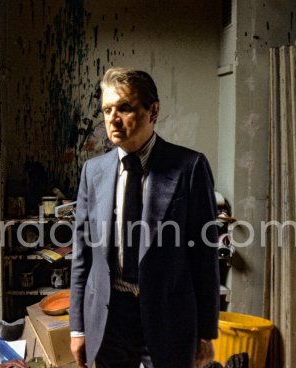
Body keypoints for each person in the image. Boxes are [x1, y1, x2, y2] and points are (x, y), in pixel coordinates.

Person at [69, 67, 220, 368]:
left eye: (124, 108)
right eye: (107, 109)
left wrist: (205, 332)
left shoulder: (189, 167)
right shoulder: (93, 172)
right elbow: (82, 254)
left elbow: (205, 257)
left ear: (153, 110)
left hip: (169, 316)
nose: (112, 119)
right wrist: (78, 327)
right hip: (110, 316)